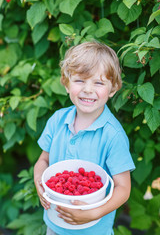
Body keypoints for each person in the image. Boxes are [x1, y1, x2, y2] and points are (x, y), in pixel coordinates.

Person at [34, 41, 135, 235]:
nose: (88, 89)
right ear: (66, 83)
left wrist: (94, 213)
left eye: (98, 82)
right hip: (54, 225)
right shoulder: (57, 121)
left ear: (112, 89)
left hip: (93, 230)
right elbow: (43, 160)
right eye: (80, 80)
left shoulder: (112, 135)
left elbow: (123, 188)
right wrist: (39, 180)